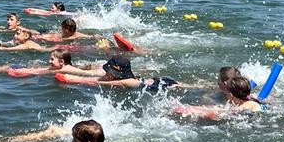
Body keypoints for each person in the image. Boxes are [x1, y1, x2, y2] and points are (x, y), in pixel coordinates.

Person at [56, 55, 189, 91]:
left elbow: (97, 82)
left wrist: (72, 80)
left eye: (111, 72)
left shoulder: (128, 82)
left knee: (188, 88)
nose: (107, 74)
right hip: (155, 81)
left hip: (166, 86)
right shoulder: (122, 77)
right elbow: (97, 77)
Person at [34, 18, 99, 43]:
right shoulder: (77, 34)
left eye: (62, 28)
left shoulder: (73, 37)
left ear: (66, 30)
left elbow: (55, 39)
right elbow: (92, 36)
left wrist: (42, 37)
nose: (61, 29)